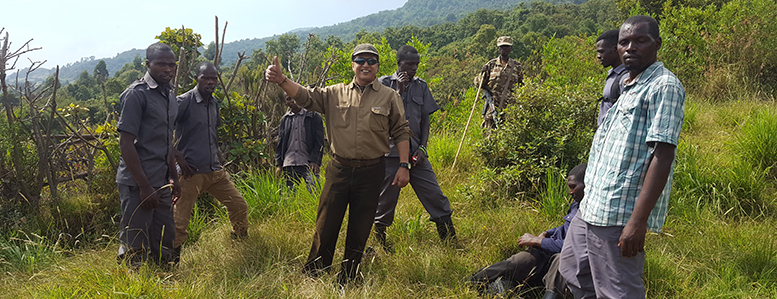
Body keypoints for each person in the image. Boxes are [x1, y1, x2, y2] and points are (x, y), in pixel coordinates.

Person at [558, 15, 685, 299]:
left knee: (618, 290)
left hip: (619, 212)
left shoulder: (662, 86)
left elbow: (662, 156)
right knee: (574, 270)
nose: (630, 47)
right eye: (624, 42)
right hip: (593, 205)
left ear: (657, 44)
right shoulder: (628, 83)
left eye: (640, 41)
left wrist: (637, 222)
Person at [264, 43, 412, 284]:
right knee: (326, 222)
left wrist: (404, 165)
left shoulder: (389, 96)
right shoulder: (334, 93)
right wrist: (282, 80)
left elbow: (401, 131)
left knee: (361, 225)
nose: (366, 64)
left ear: (377, 67)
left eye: (371, 61)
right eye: (360, 60)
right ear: (353, 64)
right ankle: (315, 273)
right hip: (339, 169)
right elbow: (305, 96)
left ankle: (349, 276)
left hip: (372, 170)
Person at [373, 45, 456, 252]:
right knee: (385, 202)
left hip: (416, 154)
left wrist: (423, 148)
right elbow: (381, 115)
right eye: (410, 64)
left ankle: (451, 244)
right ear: (398, 63)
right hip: (390, 155)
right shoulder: (383, 84)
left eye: (416, 64)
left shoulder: (421, 86)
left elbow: (425, 120)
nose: (414, 68)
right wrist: (398, 91)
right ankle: (381, 244)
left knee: (436, 196)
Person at [469, 164, 586, 299]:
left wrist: (540, 241)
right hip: (548, 251)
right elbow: (566, 227)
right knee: (519, 261)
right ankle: (471, 282)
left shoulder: (594, 215)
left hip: (566, 258)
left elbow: (573, 248)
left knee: (561, 261)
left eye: (573, 187)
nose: (570, 192)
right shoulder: (577, 203)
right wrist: (548, 234)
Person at [172, 61, 250, 257]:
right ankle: (169, 263)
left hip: (215, 171)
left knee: (239, 206)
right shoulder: (183, 101)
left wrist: (217, 157)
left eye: (214, 78)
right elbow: (160, 130)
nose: (210, 82)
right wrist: (177, 157)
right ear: (196, 79)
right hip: (191, 173)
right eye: (205, 78)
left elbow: (212, 133)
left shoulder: (214, 103)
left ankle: (240, 244)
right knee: (179, 222)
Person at [115, 42, 180, 268]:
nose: (168, 69)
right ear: (148, 64)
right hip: (137, 183)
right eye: (161, 64)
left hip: (162, 182)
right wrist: (143, 186)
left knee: (163, 239)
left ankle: (165, 282)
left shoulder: (170, 96)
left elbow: (166, 143)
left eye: (172, 65)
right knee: (135, 243)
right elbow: (126, 143)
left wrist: (174, 178)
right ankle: (135, 286)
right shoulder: (136, 94)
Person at [275, 93, 325, 192]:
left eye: (295, 97)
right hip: (289, 163)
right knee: (290, 195)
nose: (293, 101)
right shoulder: (285, 119)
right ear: (286, 102)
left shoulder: (313, 116)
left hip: (308, 162)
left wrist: (315, 161)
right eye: (289, 99)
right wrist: (279, 164)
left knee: (314, 191)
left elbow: (319, 141)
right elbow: (280, 143)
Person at [475, 36, 524, 130]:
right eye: (502, 47)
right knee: (490, 136)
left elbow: (522, 85)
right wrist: (482, 74)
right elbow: (478, 84)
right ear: (498, 49)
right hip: (492, 107)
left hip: (510, 108)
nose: (504, 49)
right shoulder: (491, 65)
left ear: (511, 48)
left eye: (506, 46)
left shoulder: (517, 66)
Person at [595, 29, 628, 126]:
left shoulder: (625, 77)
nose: (598, 56)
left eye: (601, 52)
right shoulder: (613, 74)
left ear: (615, 49)